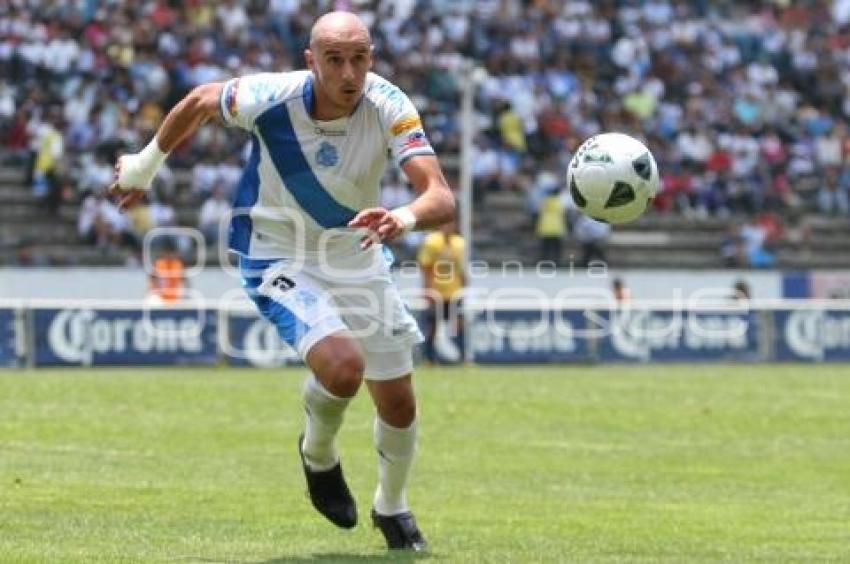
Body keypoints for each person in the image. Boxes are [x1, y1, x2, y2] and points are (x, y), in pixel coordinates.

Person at [108, 11, 454, 552]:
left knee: (400, 402)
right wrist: (147, 165)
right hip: (277, 254)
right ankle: (318, 455)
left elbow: (440, 195)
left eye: (358, 59)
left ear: (372, 59)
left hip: (357, 253)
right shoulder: (270, 96)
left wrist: (403, 217)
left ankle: (392, 506)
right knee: (343, 368)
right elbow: (201, 100)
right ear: (310, 61)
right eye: (334, 60)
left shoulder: (390, 104)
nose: (348, 73)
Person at [417, 219, 465, 364]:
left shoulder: (460, 243)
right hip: (437, 291)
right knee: (433, 326)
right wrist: (427, 289)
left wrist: (465, 286)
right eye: (445, 224)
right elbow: (425, 267)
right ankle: (429, 358)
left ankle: (462, 357)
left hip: (454, 292)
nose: (448, 227)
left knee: (459, 323)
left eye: (451, 223)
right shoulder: (432, 242)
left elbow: (461, 267)